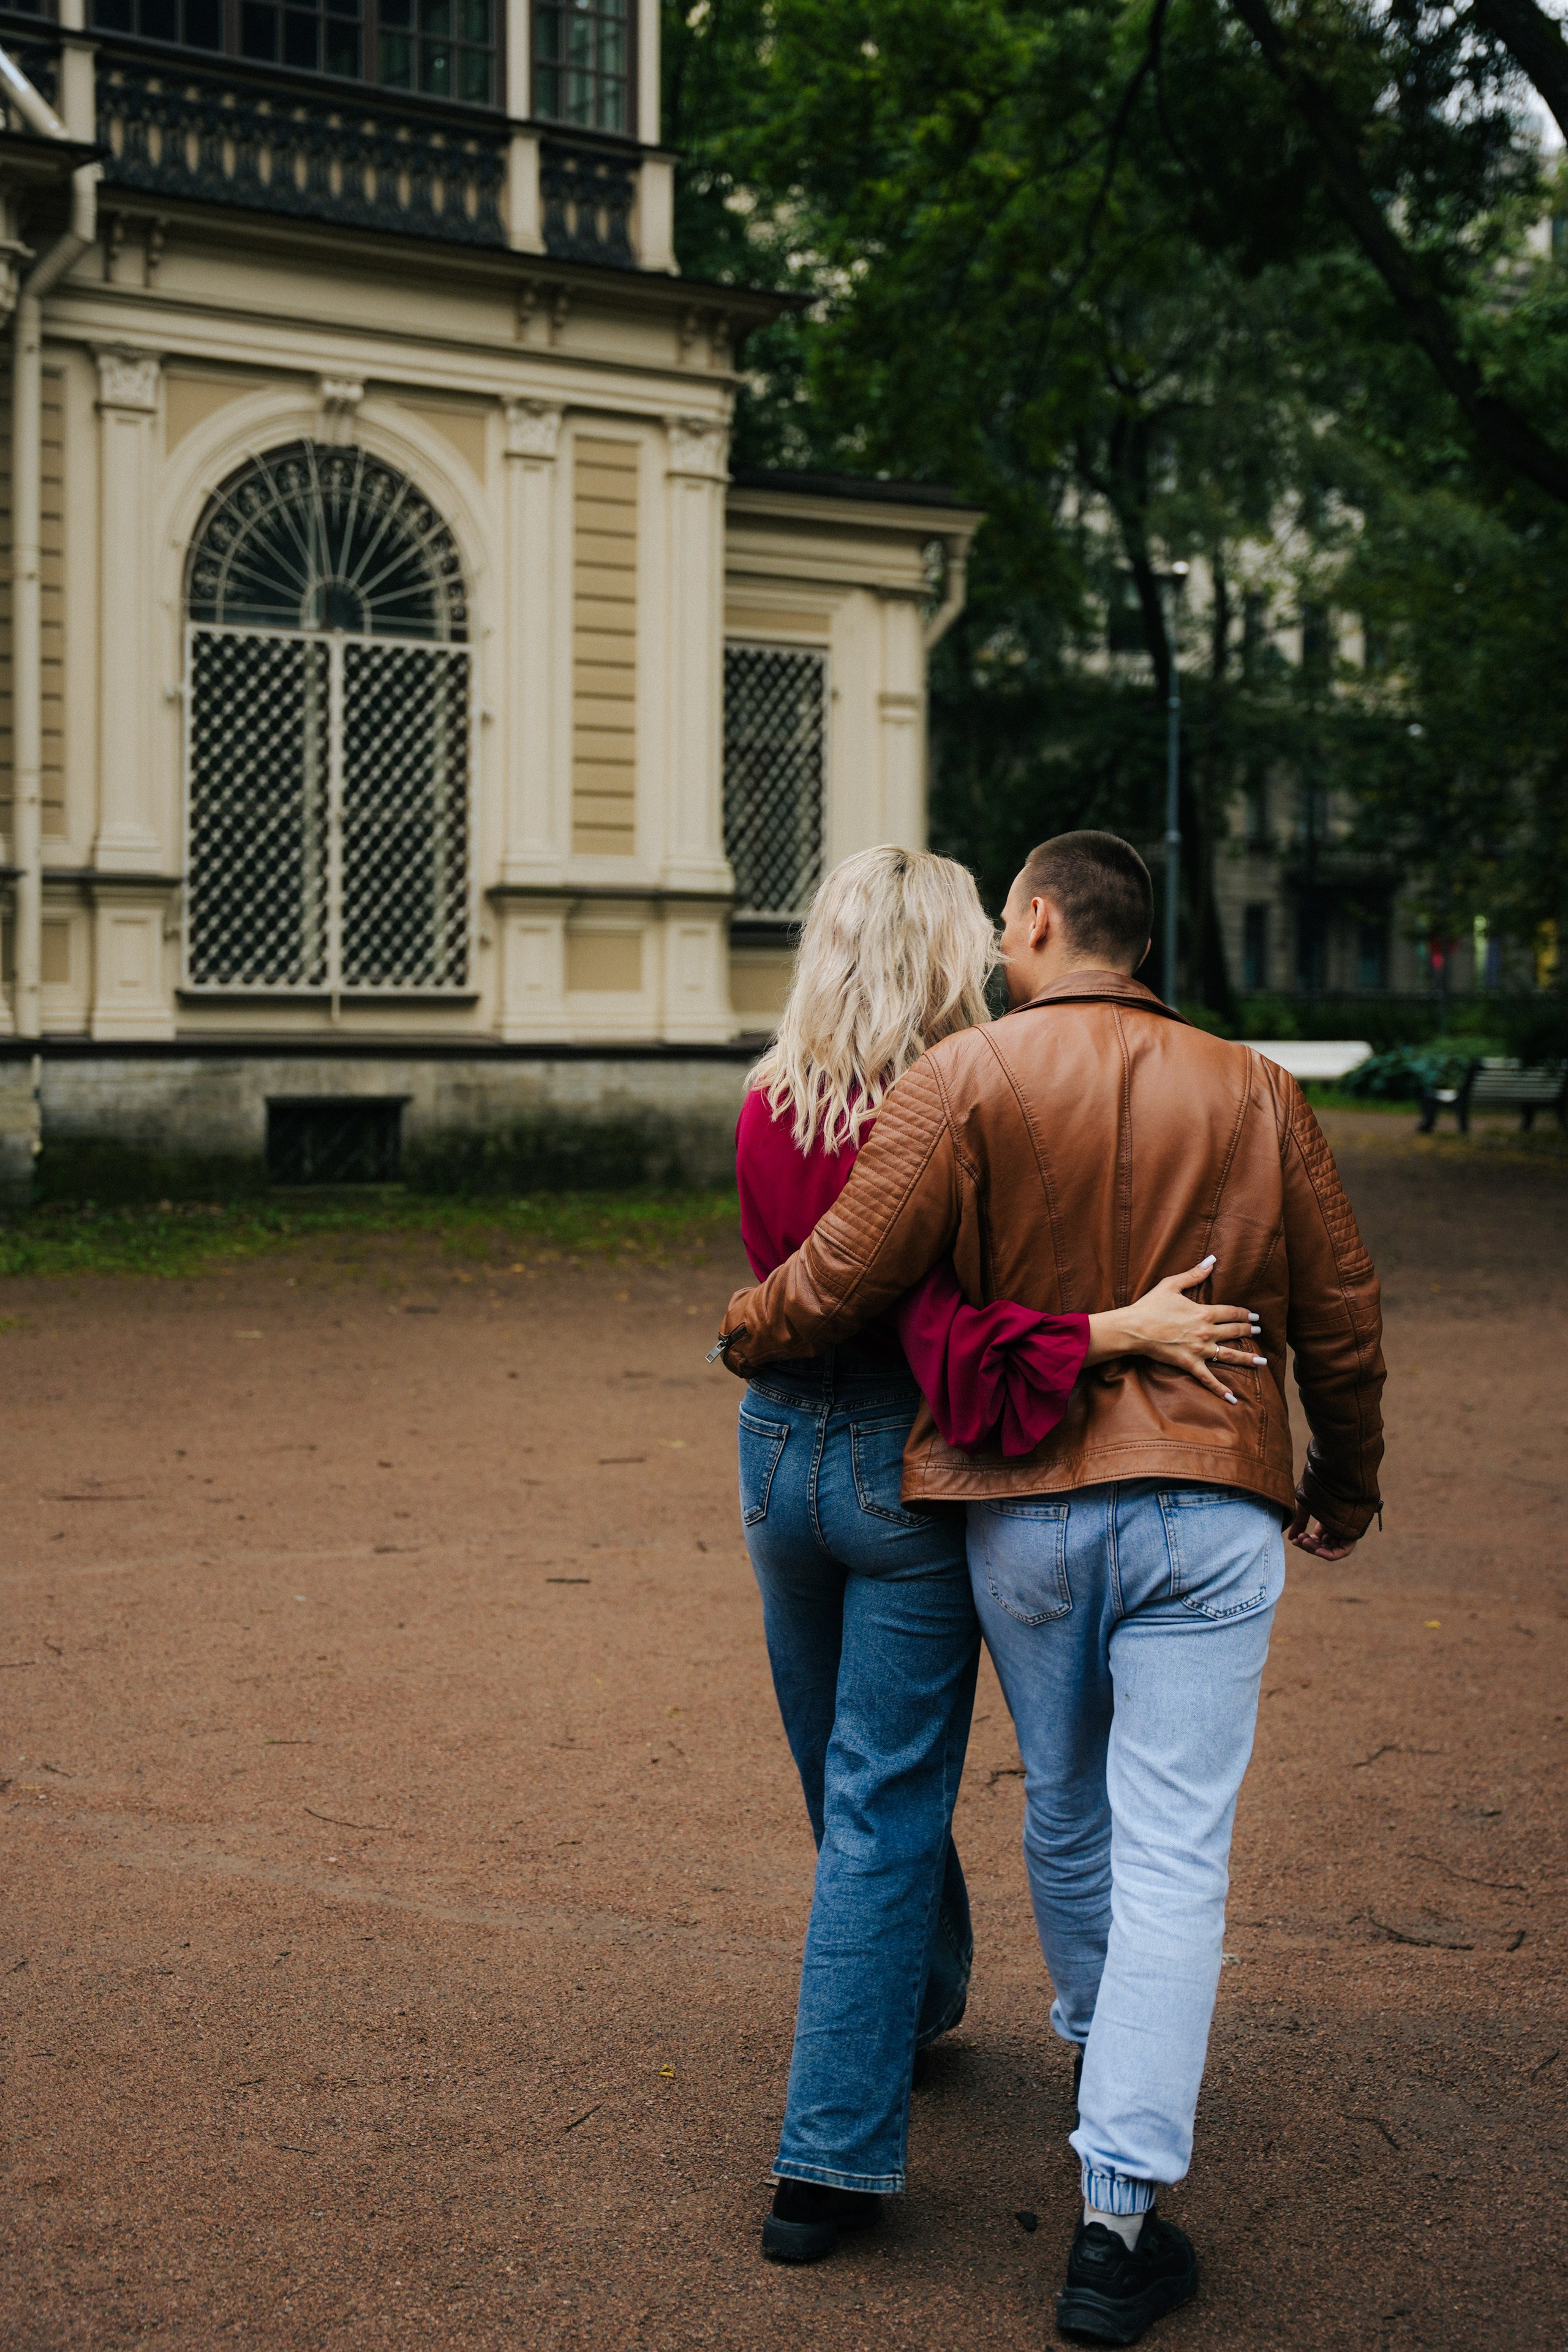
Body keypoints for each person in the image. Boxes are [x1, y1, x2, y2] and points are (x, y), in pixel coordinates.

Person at [716, 831, 1385, 2344]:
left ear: (1035, 921)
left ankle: (1030, 2049)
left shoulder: (917, 1086)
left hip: (956, 1496)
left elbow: (845, 1273)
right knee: (1153, 1849)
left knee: (1002, 1803)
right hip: (1156, 1494)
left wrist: (745, 1328)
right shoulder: (1253, 1087)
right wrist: (1336, 1482)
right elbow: (1337, 1317)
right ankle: (1106, 2195)